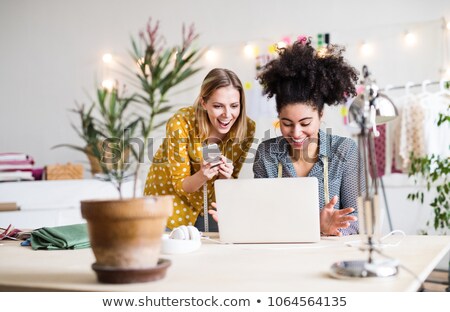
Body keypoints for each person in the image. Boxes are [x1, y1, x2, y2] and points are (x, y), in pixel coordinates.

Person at [211, 38, 361, 236]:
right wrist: (240, 217)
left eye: (305, 123)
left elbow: (359, 221)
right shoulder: (267, 154)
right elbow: (263, 217)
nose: (296, 133)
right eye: (287, 124)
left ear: (321, 116)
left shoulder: (344, 150)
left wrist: (329, 227)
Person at [144, 68, 256, 232]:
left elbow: (228, 183)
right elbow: (180, 185)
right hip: (169, 207)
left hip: (207, 208)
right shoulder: (181, 122)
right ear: (204, 103)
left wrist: (226, 178)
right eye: (218, 106)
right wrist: (202, 175)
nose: (227, 114)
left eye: (234, 106)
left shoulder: (247, 128)